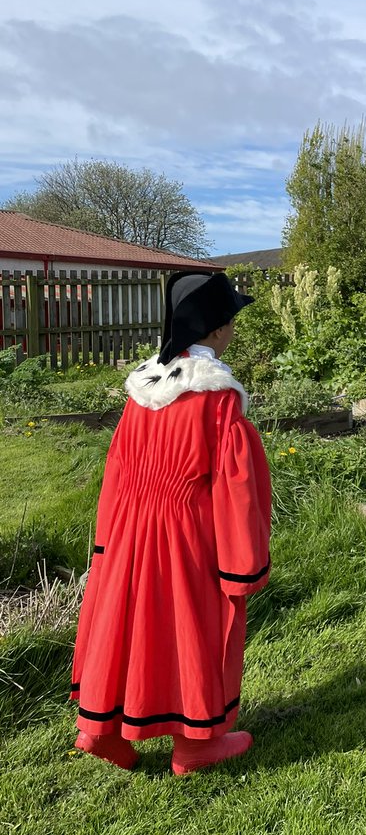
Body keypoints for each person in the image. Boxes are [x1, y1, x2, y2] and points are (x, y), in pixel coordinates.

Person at [71, 272, 272, 774]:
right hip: (187, 535)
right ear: (220, 329)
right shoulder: (218, 398)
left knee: (124, 625)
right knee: (192, 629)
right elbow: (237, 487)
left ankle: (100, 731)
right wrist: (242, 563)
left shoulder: (140, 393)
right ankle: (196, 744)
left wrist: (106, 541)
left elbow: (117, 470)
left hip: (128, 530)